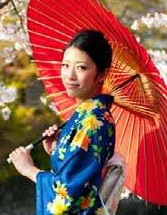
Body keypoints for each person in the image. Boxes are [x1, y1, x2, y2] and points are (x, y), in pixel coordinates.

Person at [9, 29, 116, 215]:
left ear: (101, 74)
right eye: (65, 65)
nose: (69, 75)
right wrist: (56, 149)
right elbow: (76, 169)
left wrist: (29, 170)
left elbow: (70, 194)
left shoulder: (93, 121)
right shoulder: (87, 115)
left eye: (81, 67)